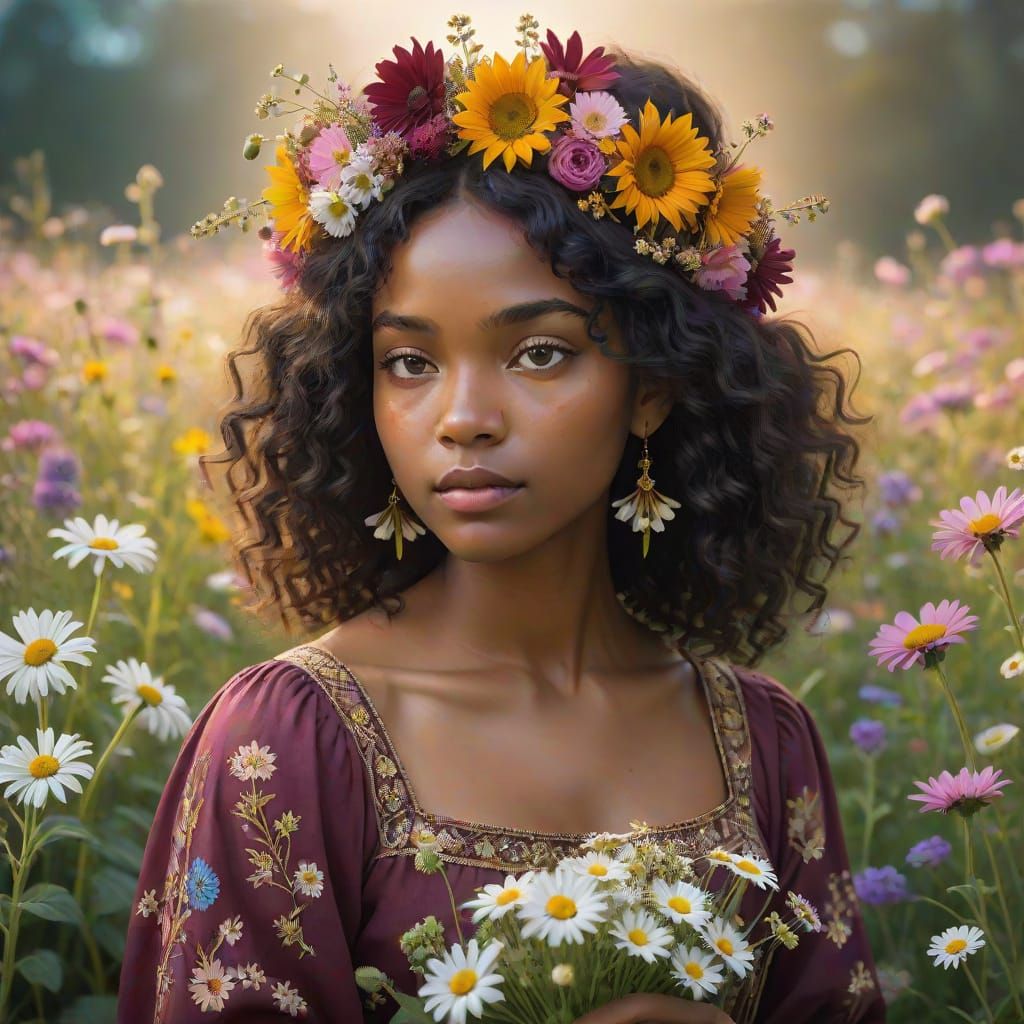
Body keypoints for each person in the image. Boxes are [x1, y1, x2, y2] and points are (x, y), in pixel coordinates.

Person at [118, 21, 886, 1024]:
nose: (462, 417)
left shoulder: (764, 739)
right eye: (410, 361)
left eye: (538, 354)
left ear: (652, 385)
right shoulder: (290, 742)